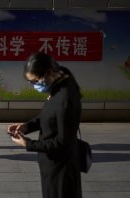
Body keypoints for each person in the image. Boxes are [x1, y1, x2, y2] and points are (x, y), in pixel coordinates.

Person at [8, 52, 82, 198]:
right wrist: (26, 126)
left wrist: (28, 144)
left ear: (48, 73)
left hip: (61, 170)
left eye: (35, 81)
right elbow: (47, 116)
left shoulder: (65, 98)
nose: (34, 85)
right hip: (51, 166)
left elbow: (63, 142)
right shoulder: (56, 87)